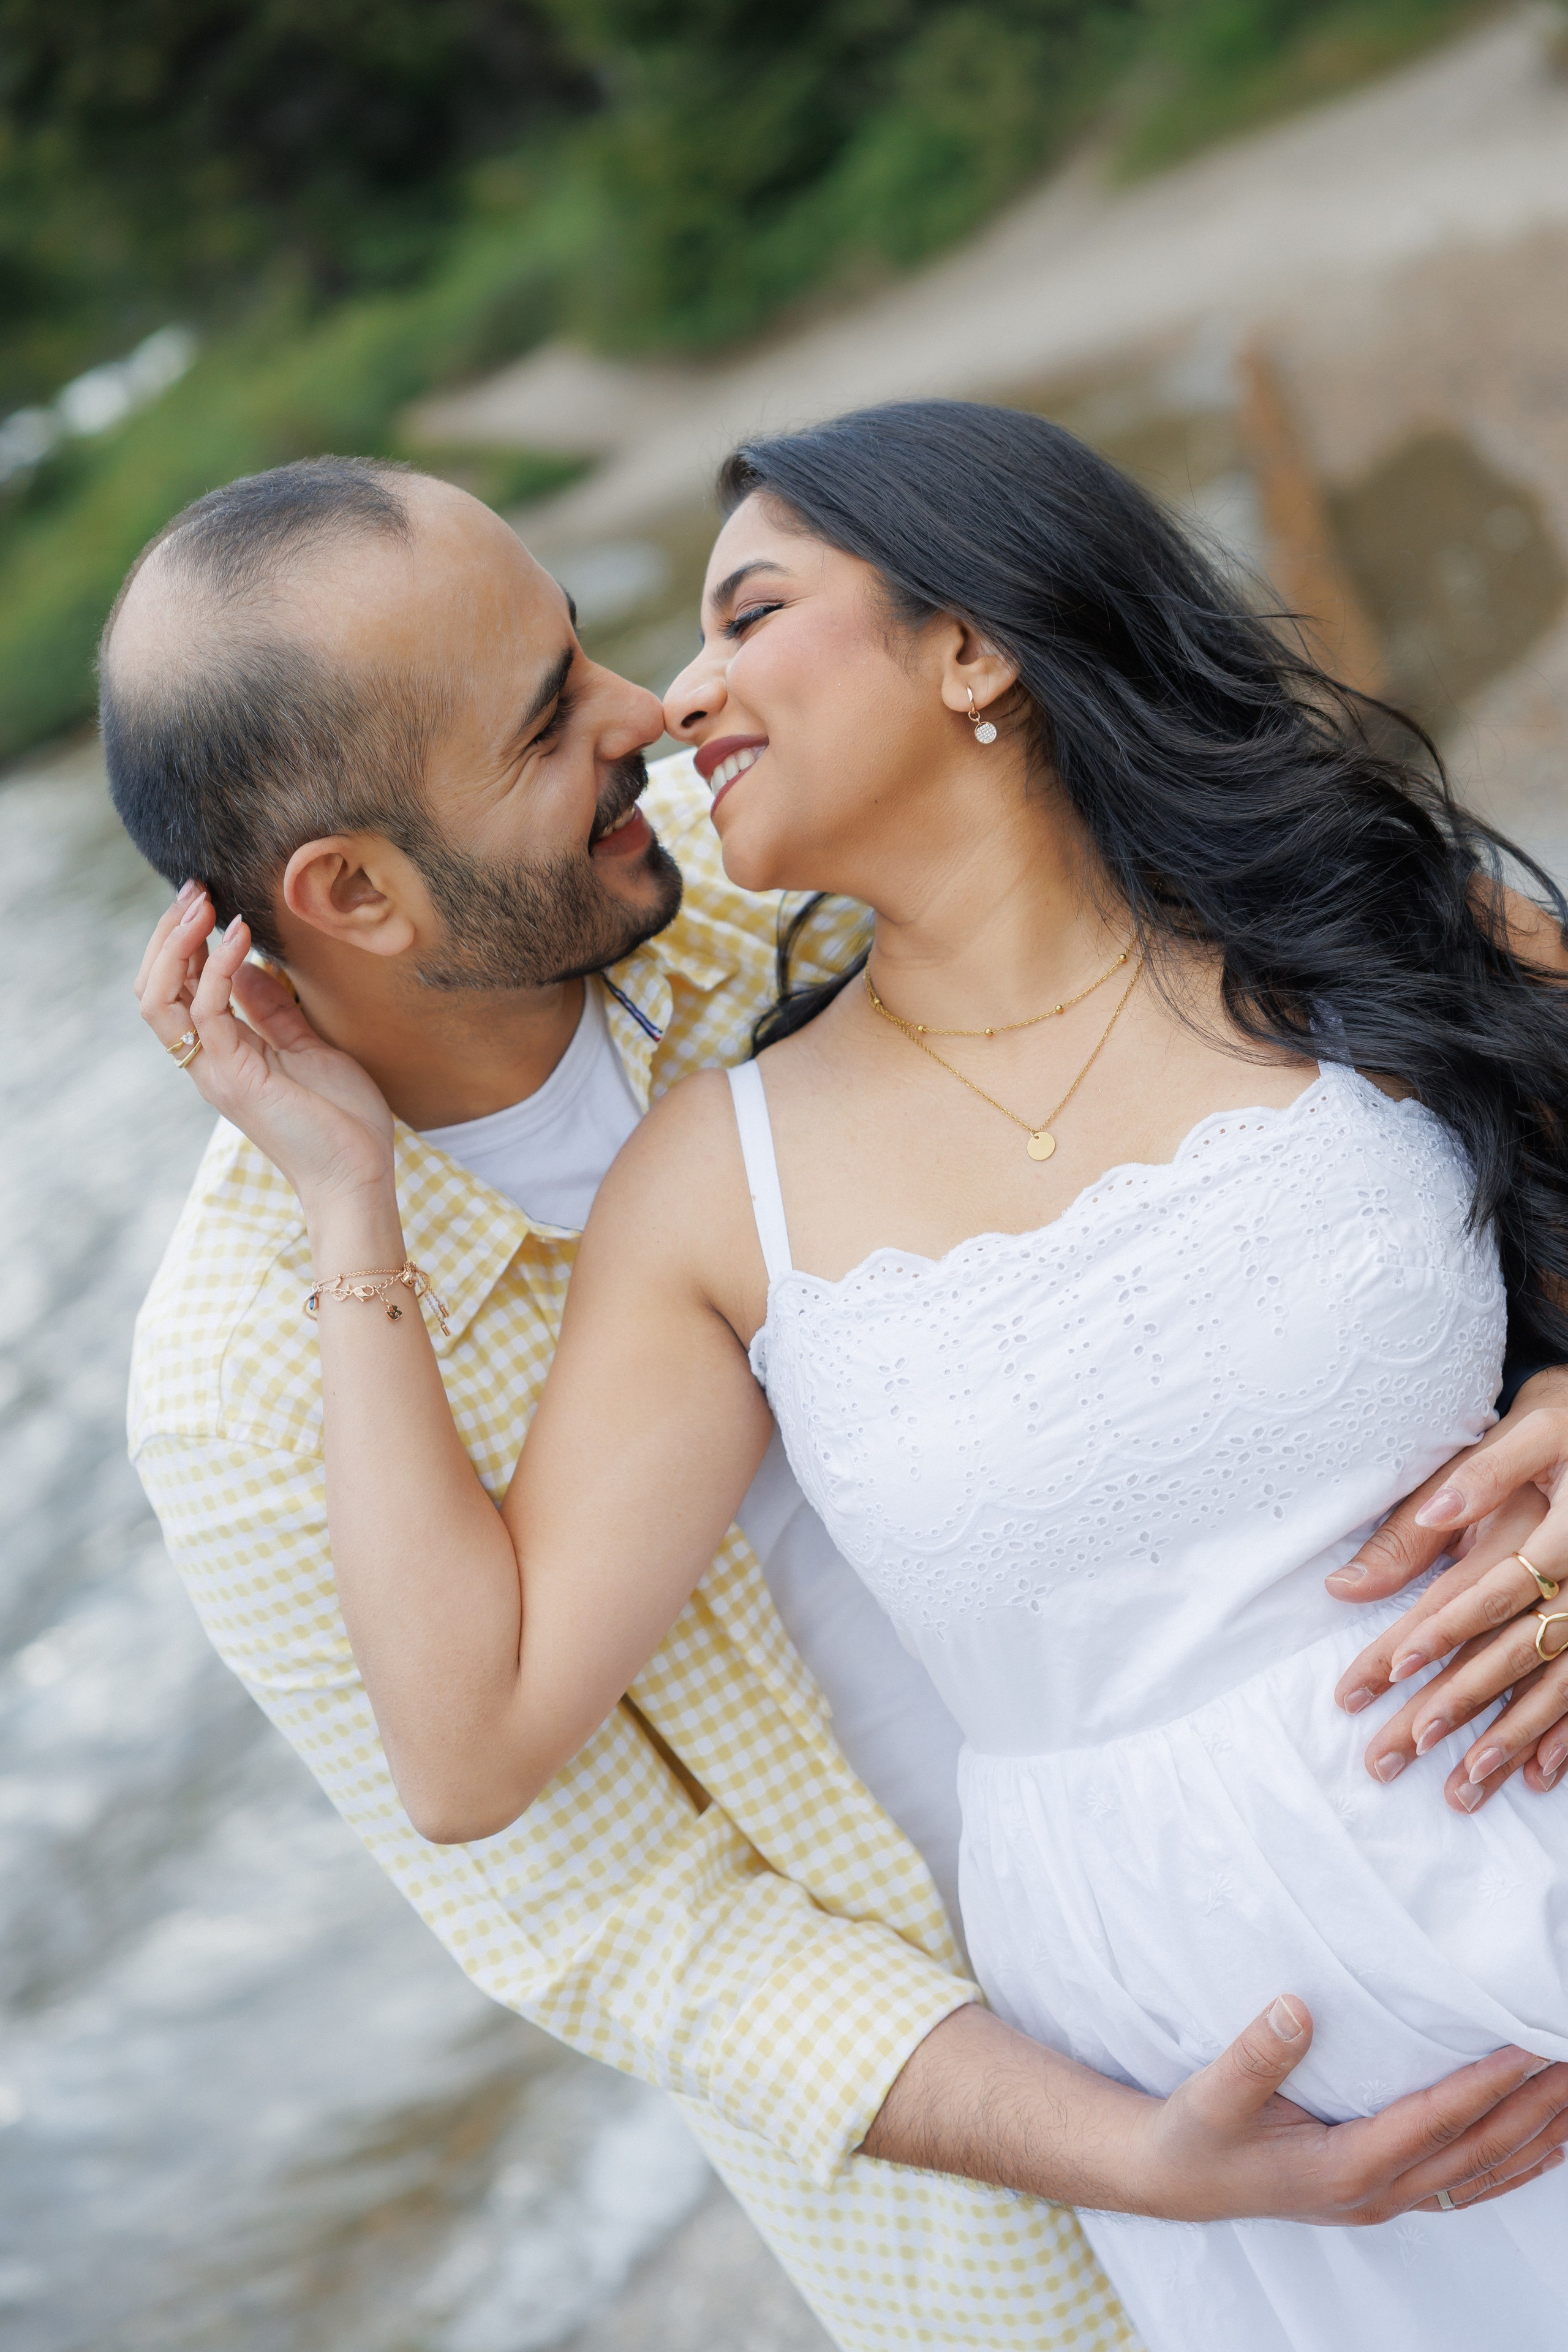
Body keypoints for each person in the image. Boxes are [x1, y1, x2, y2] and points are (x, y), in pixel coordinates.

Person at [117, 444, 1568, 2352]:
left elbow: (1427, 1093)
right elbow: (605, 1915)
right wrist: (1148, 2156)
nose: (658, 713)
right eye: (559, 717)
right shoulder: (251, 1388)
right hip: (1082, 2146)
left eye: (639, 644)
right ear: (356, 895)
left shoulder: (779, 842)